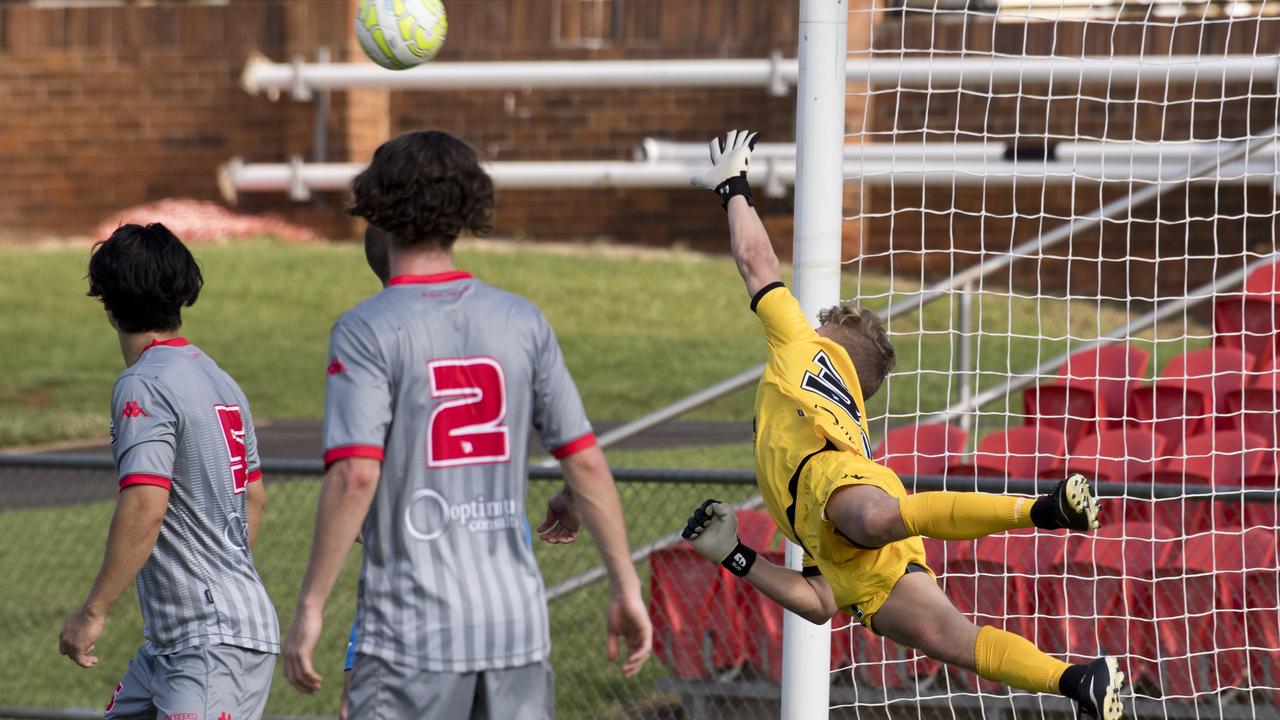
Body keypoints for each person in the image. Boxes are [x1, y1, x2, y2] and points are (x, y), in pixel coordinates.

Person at [679, 130, 1125, 720]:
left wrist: (732, 187)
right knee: (954, 641)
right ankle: (1075, 680)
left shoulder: (805, 347)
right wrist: (734, 554)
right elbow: (815, 602)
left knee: (875, 517)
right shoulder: (835, 393)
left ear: (834, 344)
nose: (813, 326)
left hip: (837, 486)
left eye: (824, 326)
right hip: (844, 543)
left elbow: (755, 260)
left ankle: (1041, 511)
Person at [283, 130, 652, 719]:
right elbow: (583, 461)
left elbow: (355, 475)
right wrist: (625, 585)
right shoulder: (520, 320)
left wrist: (310, 606)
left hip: (411, 635)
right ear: (470, 210)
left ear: (375, 207)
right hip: (515, 631)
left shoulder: (366, 329)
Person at [333, 224, 588, 719]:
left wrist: (312, 603)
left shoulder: (373, 341)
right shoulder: (500, 323)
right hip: (505, 609)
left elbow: (356, 484)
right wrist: (572, 494)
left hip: (411, 611)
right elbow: (578, 442)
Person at [60, 223, 279, 719]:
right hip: (176, 643)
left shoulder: (142, 384)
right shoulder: (219, 378)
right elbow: (254, 496)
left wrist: (92, 613)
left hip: (208, 643)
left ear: (107, 302)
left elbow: (144, 503)